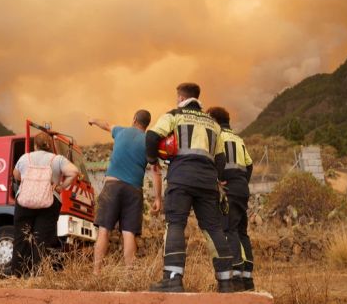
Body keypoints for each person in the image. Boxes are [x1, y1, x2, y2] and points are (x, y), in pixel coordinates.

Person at [145, 83, 234, 293]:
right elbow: (221, 158)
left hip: (181, 178)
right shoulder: (213, 124)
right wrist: (217, 179)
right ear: (197, 98)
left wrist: (152, 159)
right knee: (213, 228)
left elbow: (151, 136)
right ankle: (226, 282)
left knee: (175, 224)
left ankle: (173, 279)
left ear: (180, 97)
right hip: (207, 182)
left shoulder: (174, 115)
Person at [88, 110, 162, 275]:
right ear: (147, 124)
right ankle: (129, 275)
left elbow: (106, 124)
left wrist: (93, 119)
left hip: (112, 186)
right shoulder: (148, 141)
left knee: (104, 230)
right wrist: (158, 198)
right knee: (129, 233)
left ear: (134, 118)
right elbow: (156, 171)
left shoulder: (120, 131)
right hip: (134, 191)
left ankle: (96, 273)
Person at [11, 132, 79, 277]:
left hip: (25, 202)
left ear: (35, 145)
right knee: (41, 240)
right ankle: (38, 277)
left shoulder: (25, 158)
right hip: (49, 202)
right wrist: (61, 186)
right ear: (49, 145)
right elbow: (74, 171)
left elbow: (16, 174)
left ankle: (17, 276)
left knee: (21, 239)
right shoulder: (57, 159)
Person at [207, 106, 255, 291]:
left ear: (214, 120)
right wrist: (241, 181)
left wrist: (218, 181)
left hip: (228, 188)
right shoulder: (239, 139)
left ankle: (236, 277)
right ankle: (248, 278)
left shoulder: (217, 136)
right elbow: (249, 165)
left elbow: (214, 161)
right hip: (242, 188)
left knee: (229, 230)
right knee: (242, 232)